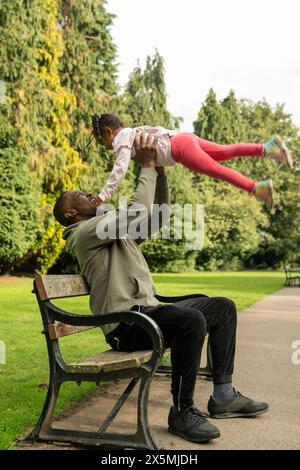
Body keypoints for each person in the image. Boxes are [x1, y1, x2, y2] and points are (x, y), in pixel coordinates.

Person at [53, 132, 269, 444]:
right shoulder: (85, 232)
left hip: (146, 313)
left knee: (221, 307)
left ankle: (223, 395)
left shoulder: (110, 229)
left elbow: (155, 220)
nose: (89, 193)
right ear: (70, 213)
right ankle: (182, 411)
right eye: (79, 195)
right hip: (126, 326)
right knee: (190, 320)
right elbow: (138, 212)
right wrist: (147, 166)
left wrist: (160, 176)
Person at [90, 112, 293, 208]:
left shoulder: (121, 141)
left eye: (102, 142)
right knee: (225, 151)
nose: (107, 147)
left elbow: (120, 169)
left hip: (179, 149)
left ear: (109, 132)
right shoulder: (131, 133)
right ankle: (267, 148)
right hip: (183, 138)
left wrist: (103, 195)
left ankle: (257, 188)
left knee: (218, 170)